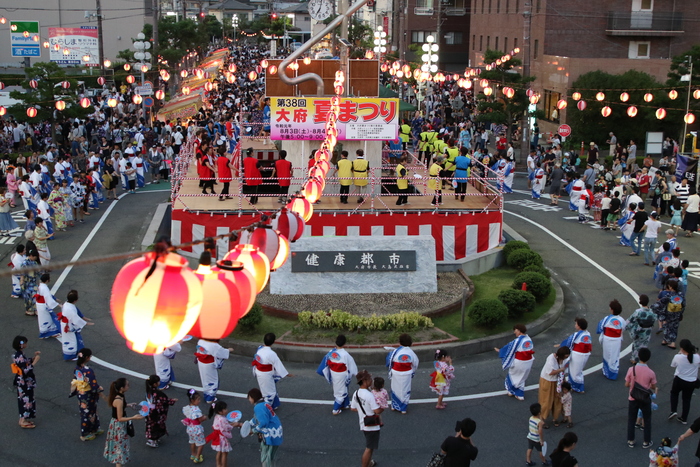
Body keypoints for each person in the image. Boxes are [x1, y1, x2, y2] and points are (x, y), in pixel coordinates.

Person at [104, 378, 144, 466]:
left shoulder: (120, 396)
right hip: (118, 426)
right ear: (122, 388)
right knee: (119, 447)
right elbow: (120, 418)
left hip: (118, 425)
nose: (128, 386)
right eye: (127, 385)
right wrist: (133, 417)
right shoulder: (119, 400)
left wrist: (129, 405)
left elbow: (120, 408)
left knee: (119, 446)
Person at [317, 334, 358, 415]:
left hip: (333, 373)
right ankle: (335, 409)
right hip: (342, 374)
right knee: (341, 392)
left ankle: (345, 404)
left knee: (341, 388)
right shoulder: (345, 354)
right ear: (344, 343)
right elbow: (352, 367)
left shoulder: (331, 352)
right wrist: (356, 374)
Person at [625, 347, 657, 449]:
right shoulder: (651, 372)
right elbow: (653, 385)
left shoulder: (632, 369)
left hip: (633, 397)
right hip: (645, 399)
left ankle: (631, 440)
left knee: (631, 419)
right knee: (647, 420)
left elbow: (626, 384)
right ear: (648, 358)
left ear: (638, 356)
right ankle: (646, 441)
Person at [351, 370, 383, 467]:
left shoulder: (356, 393)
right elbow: (377, 411)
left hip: (363, 422)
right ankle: (365, 465)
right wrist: (383, 407)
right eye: (369, 378)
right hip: (372, 425)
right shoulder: (369, 395)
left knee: (370, 445)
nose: (371, 380)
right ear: (364, 380)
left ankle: (369, 462)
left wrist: (363, 410)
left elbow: (353, 408)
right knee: (369, 447)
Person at [71, 348, 104, 441]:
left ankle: (94, 429)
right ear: (87, 358)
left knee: (90, 411)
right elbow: (93, 384)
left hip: (81, 393)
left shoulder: (77, 368)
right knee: (88, 412)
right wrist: (99, 389)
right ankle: (85, 434)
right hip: (88, 394)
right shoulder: (88, 370)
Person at [495, 324, 534, 401]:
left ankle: (512, 391)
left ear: (519, 331)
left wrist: (500, 351)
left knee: (513, 375)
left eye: (515, 330)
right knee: (522, 377)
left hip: (520, 362)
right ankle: (519, 395)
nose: (514, 332)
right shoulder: (528, 339)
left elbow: (508, 348)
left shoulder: (517, 341)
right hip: (528, 362)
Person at [247, 387, 284, 467]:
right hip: (276, 432)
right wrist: (246, 425)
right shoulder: (264, 404)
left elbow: (263, 422)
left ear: (253, 397)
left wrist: (253, 431)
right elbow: (257, 419)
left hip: (269, 435)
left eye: (249, 398)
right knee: (272, 457)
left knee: (266, 457)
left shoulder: (258, 407)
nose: (249, 400)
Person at [253, 333, 290, 410]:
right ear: (273, 342)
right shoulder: (272, 354)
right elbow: (279, 366)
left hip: (258, 371)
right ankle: (265, 408)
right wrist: (287, 374)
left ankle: (273, 404)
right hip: (266, 374)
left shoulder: (260, 348)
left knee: (264, 389)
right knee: (270, 393)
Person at [669, 339, 700, 424]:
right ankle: (684, 418)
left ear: (682, 348)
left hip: (679, 379)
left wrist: (679, 353)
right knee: (687, 399)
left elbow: (673, 365)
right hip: (691, 382)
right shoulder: (697, 357)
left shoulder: (678, 357)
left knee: (674, 393)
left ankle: (673, 410)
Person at [12, 335, 40, 429]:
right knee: (26, 400)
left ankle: (22, 418)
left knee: (23, 399)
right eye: (25, 343)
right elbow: (25, 370)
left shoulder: (18, 354)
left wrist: (33, 358)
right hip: (24, 382)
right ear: (21, 345)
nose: (26, 344)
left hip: (22, 381)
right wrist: (35, 362)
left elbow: (25, 363)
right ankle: (24, 420)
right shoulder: (19, 356)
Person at [386, 333, 419, 413]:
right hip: (407, 373)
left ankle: (394, 406)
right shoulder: (411, 353)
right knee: (405, 390)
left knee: (395, 389)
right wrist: (412, 371)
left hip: (396, 373)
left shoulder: (395, 352)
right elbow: (416, 363)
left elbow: (389, 361)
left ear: (399, 342)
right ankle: (403, 408)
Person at [538, 346, 570, 427]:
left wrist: (564, 380)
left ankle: (555, 418)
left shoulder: (562, 360)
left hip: (557, 382)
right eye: (566, 356)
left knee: (557, 400)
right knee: (546, 401)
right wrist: (561, 370)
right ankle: (542, 419)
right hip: (547, 381)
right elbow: (550, 372)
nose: (567, 358)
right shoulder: (551, 358)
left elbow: (562, 372)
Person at [195, 338, 233, 403]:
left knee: (205, 379)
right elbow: (222, 352)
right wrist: (229, 350)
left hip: (201, 362)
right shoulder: (214, 345)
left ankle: (207, 393)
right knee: (213, 381)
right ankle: (209, 398)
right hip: (209, 364)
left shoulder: (201, 341)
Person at [596, 299, 626, 380]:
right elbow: (623, 328)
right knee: (614, 356)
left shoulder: (606, 319)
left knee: (606, 355)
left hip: (607, 339)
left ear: (612, 310)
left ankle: (606, 372)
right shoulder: (622, 320)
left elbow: (600, 327)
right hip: (617, 340)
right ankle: (613, 373)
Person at [144, 375, 177, 448]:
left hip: (149, 411)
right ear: (155, 384)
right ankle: (152, 440)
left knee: (151, 425)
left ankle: (153, 438)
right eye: (158, 381)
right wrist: (172, 400)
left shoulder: (149, 391)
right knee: (156, 425)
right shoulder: (158, 393)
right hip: (156, 412)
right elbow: (165, 400)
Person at [560, 318, 592, 393]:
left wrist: (561, 345)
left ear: (579, 326)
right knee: (579, 370)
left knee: (575, 371)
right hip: (586, 354)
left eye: (576, 324)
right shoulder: (588, 334)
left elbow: (568, 342)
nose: (575, 325)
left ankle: (578, 388)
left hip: (578, 354)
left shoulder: (576, 334)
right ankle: (577, 386)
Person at [625, 294, 657, 364]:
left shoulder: (638, 312)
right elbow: (655, 318)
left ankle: (634, 359)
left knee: (636, 344)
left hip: (639, 330)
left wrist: (624, 326)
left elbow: (630, 320)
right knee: (644, 345)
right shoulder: (651, 312)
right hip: (648, 330)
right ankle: (642, 359)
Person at [206, 399, 236, 467]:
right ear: (220, 411)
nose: (226, 410)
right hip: (222, 438)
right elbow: (227, 427)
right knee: (225, 453)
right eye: (225, 409)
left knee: (219, 451)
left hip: (217, 437)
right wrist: (234, 424)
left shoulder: (217, 416)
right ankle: (224, 465)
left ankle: (218, 464)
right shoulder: (223, 419)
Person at [182, 389, 208, 464]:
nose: (199, 401)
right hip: (197, 429)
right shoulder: (196, 410)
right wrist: (205, 418)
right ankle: (197, 457)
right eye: (198, 399)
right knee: (201, 443)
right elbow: (199, 420)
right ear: (192, 400)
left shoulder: (187, 408)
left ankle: (193, 454)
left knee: (192, 441)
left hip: (190, 428)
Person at [35, 273, 61, 339]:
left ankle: (44, 332)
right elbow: (48, 298)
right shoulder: (45, 288)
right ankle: (50, 333)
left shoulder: (40, 286)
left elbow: (47, 296)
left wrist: (55, 298)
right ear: (47, 280)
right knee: (49, 318)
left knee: (42, 319)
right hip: (44, 305)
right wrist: (58, 304)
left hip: (39, 304)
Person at [20, 249, 40, 316]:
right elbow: (22, 273)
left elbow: (38, 271)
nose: (35, 259)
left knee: (35, 296)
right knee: (28, 298)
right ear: (31, 256)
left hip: (33, 282)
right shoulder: (25, 263)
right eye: (34, 257)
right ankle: (29, 310)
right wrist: (22, 280)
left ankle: (35, 309)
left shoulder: (34, 262)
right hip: (26, 283)